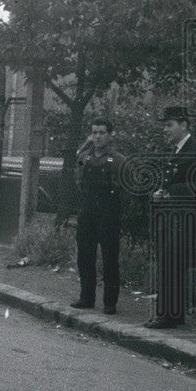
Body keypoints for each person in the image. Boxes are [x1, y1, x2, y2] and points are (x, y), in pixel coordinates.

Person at [145, 106, 196, 329]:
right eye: (165, 124)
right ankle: (172, 314)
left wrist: (172, 193)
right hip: (171, 218)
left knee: (172, 264)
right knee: (168, 264)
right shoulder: (177, 151)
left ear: (184, 125)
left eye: (169, 124)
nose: (165, 129)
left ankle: (168, 315)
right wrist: (160, 193)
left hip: (184, 219)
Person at [70, 119, 126, 314]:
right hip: (87, 213)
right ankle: (86, 298)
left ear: (110, 135)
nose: (98, 137)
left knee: (110, 259)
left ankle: (110, 303)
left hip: (108, 215)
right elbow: (78, 181)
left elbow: (124, 188)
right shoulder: (84, 158)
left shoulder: (118, 160)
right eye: (94, 133)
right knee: (85, 256)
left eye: (102, 132)